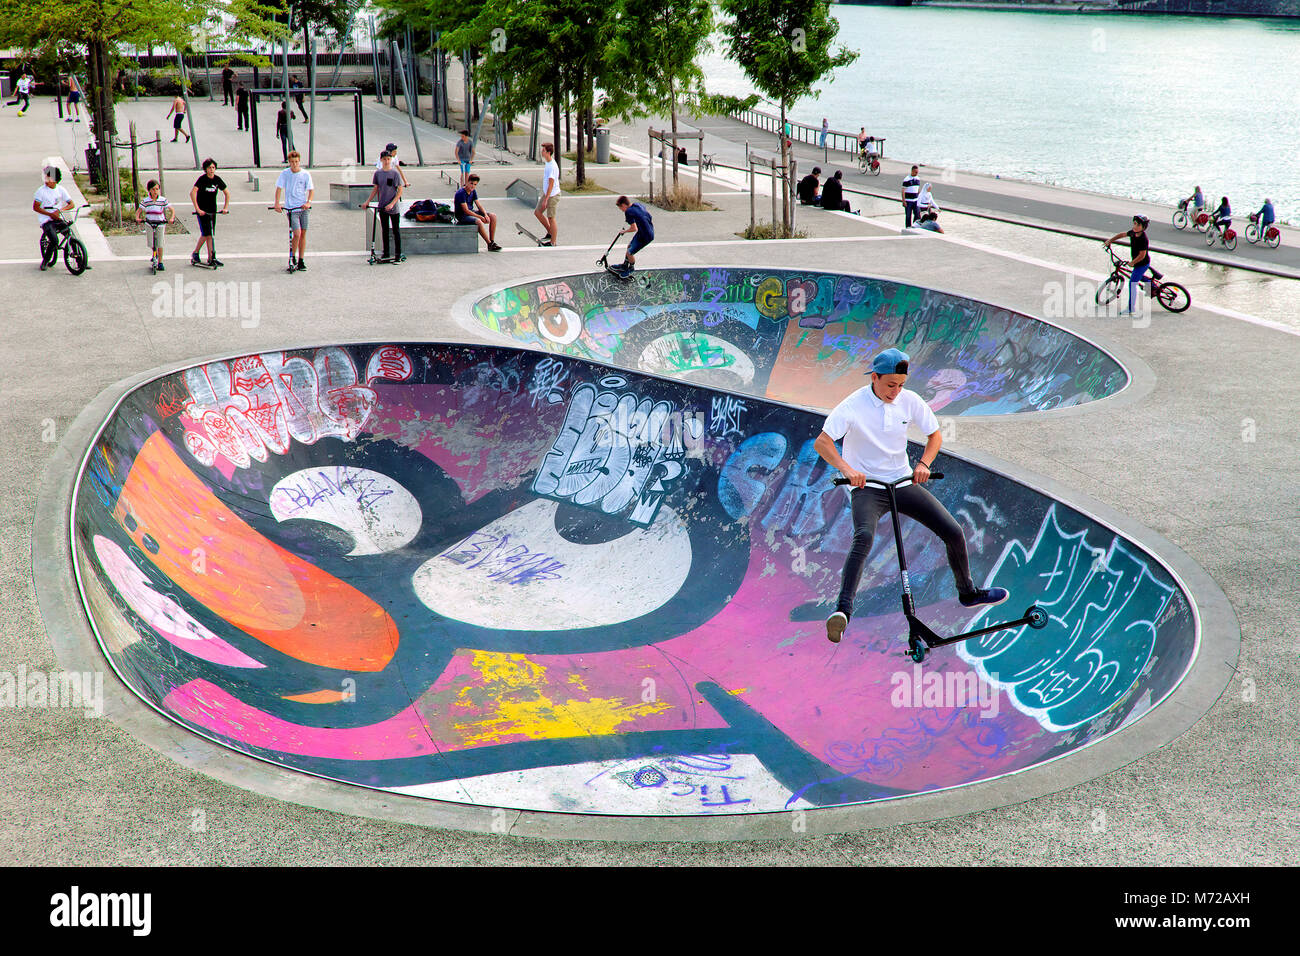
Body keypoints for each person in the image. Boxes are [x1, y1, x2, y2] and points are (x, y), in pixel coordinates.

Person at [815, 347, 1009, 644]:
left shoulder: (910, 401)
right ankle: (842, 611)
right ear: (875, 378)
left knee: (953, 531)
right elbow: (823, 442)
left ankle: (968, 593)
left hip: (903, 482)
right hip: (869, 488)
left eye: (901, 385)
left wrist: (923, 464)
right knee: (863, 537)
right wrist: (847, 468)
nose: (896, 391)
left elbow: (935, 436)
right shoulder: (853, 405)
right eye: (890, 384)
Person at [361, 150, 407, 260]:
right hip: (382, 205)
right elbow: (376, 188)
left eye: (388, 159)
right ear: (381, 160)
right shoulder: (378, 173)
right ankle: (386, 253)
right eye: (385, 159)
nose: (387, 161)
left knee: (396, 230)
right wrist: (367, 201)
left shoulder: (395, 173)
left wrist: (392, 204)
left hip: (393, 207)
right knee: (384, 230)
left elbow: (400, 190)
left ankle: (397, 254)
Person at [274, 150, 314, 271]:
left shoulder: (305, 174)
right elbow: (279, 188)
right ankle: (292, 257)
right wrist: (277, 203)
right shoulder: (285, 173)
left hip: (303, 208)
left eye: (296, 162)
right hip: (292, 209)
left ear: (299, 161)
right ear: (289, 162)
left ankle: (301, 260)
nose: (294, 164)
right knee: (297, 233)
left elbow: (311, 190)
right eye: (292, 162)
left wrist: (308, 202)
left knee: (303, 234)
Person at [1103, 215, 1152, 315]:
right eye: (1134, 223)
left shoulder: (1143, 239)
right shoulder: (1133, 233)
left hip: (1142, 264)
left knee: (1132, 283)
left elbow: (1142, 255)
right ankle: (1150, 284)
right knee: (1137, 276)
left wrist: (1133, 262)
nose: (1135, 226)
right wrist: (1110, 240)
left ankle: (1130, 309)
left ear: (1143, 227)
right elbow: (1122, 234)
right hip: (1136, 263)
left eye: (1138, 225)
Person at [189, 158, 229, 267]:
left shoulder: (217, 179)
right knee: (207, 234)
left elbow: (227, 193)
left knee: (209, 234)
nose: (211, 170)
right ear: (205, 169)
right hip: (202, 211)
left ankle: (204, 255)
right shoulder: (202, 179)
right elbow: (192, 193)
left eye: (213, 168)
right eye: (209, 168)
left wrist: (225, 208)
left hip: (212, 211)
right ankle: (205, 256)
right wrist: (197, 209)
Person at [33, 165, 74, 270]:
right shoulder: (41, 191)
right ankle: (46, 260)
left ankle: (80, 260)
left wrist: (60, 210)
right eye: (46, 177)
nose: (46, 180)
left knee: (70, 235)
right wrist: (50, 214)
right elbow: (36, 207)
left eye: (49, 178)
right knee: (54, 240)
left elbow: (71, 204)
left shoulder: (61, 190)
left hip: (57, 218)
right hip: (46, 220)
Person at [453, 173, 501, 251]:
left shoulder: (473, 191)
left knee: (493, 216)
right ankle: (489, 243)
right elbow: (466, 211)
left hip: (471, 212)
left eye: (475, 184)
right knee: (478, 221)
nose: (473, 186)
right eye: (471, 183)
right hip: (462, 215)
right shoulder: (461, 193)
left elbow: (479, 205)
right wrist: (481, 217)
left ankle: (492, 241)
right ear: (467, 182)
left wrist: (485, 215)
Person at [136, 179, 176, 270]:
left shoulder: (163, 200)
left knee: (160, 243)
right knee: (151, 243)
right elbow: (138, 211)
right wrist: (137, 218)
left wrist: (171, 218)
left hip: (160, 224)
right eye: (153, 189)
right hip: (150, 224)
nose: (155, 191)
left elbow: (172, 210)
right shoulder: (146, 201)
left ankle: (160, 262)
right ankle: (155, 253)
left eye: (157, 189)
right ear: (149, 190)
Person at [614, 195, 653, 276]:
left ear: (624, 205)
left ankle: (631, 268)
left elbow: (634, 228)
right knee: (629, 246)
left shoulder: (628, 212)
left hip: (645, 236)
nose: (621, 210)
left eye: (620, 208)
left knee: (630, 253)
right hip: (647, 231)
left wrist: (624, 231)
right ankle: (624, 265)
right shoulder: (637, 205)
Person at [534, 142, 560, 246]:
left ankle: (553, 242)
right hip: (547, 194)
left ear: (548, 152)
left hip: (552, 195)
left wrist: (546, 199)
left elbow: (551, 184)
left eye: (543, 150)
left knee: (551, 218)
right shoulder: (548, 163)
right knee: (537, 212)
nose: (542, 152)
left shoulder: (552, 166)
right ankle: (550, 232)